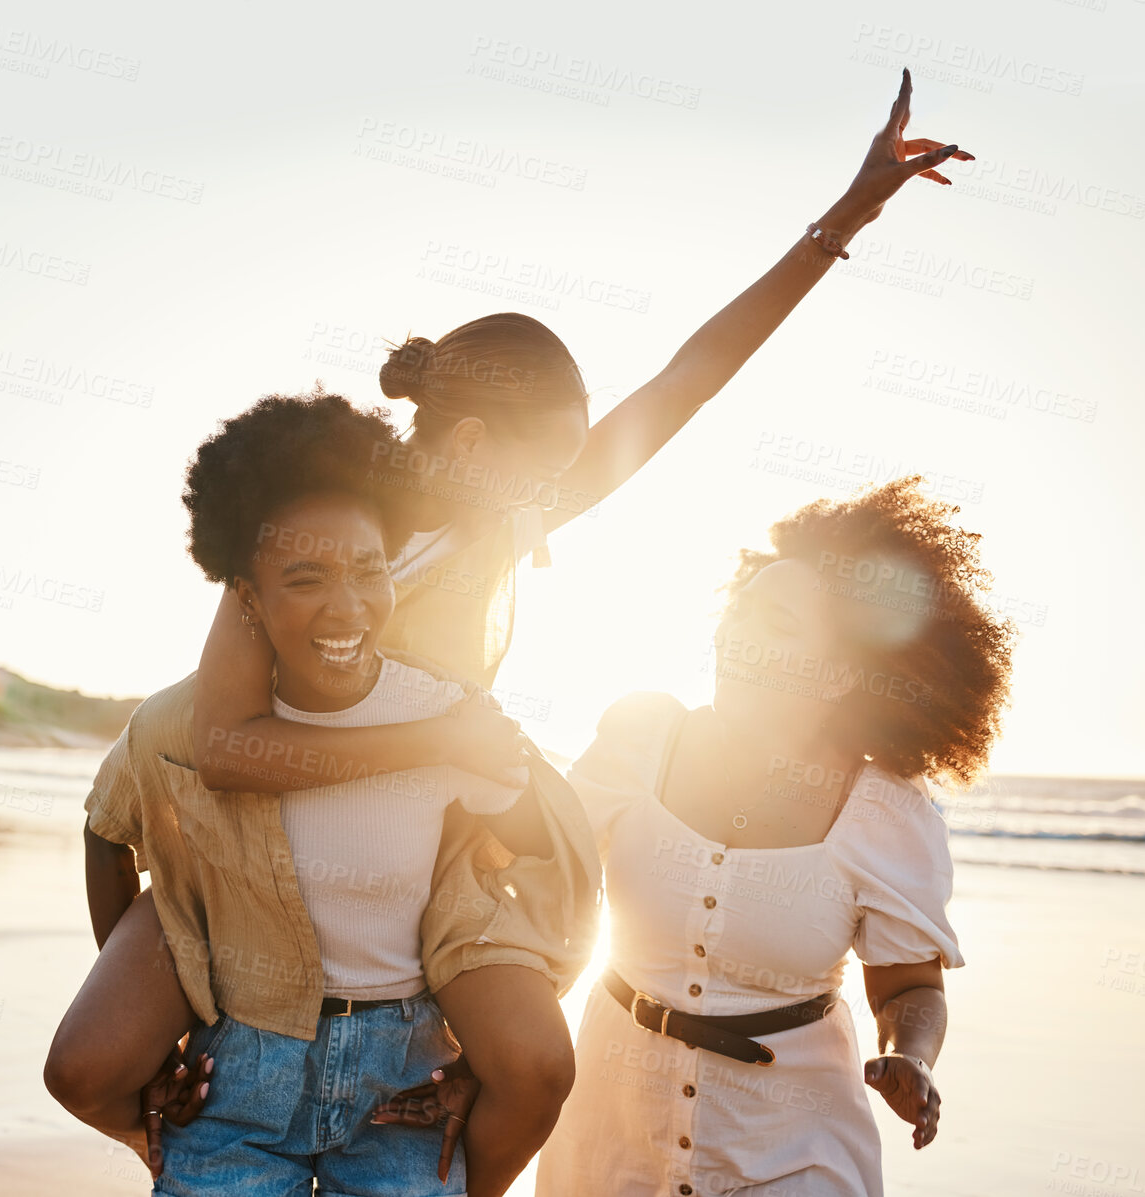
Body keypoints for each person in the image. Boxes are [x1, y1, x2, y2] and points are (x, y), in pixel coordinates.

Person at [61, 67, 973, 1197]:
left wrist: (843, 219)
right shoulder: (315, 534)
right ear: (477, 443)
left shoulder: (498, 524)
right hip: (250, 824)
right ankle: (183, 1085)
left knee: (530, 1045)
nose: (563, 491)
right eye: (548, 462)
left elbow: (684, 384)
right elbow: (178, 773)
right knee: (94, 1045)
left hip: (404, 829)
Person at [45, 391, 601, 1195]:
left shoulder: (449, 713)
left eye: (368, 571)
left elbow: (546, 868)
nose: (346, 606)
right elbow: (107, 831)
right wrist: (167, 1028)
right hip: (240, 1073)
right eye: (304, 578)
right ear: (247, 594)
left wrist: (489, 1044)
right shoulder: (174, 724)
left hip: (397, 1079)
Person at [525, 477, 1016, 1195]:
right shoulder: (642, 738)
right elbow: (539, 894)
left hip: (795, 1147)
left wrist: (910, 1054)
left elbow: (910, 985)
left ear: (842, 672)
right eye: (740, 611)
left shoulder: (884, 812)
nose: (738, 633)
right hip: (609, 1132)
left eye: (777, 624)